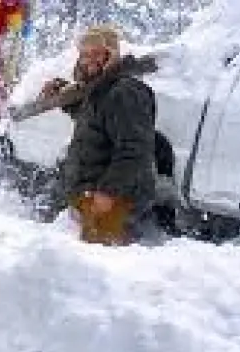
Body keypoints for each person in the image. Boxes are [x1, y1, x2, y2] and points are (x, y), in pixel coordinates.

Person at [16, 25, 160, 245]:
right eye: (84, 54)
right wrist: (62, 95)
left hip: (116, 202)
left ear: (111, 54)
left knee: (107, 266)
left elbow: (135, 149)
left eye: (97, 53)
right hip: (95, 197)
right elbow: (96, 122)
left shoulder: (125, 91)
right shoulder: (100, 88)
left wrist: (108, 192)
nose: (88, 60)